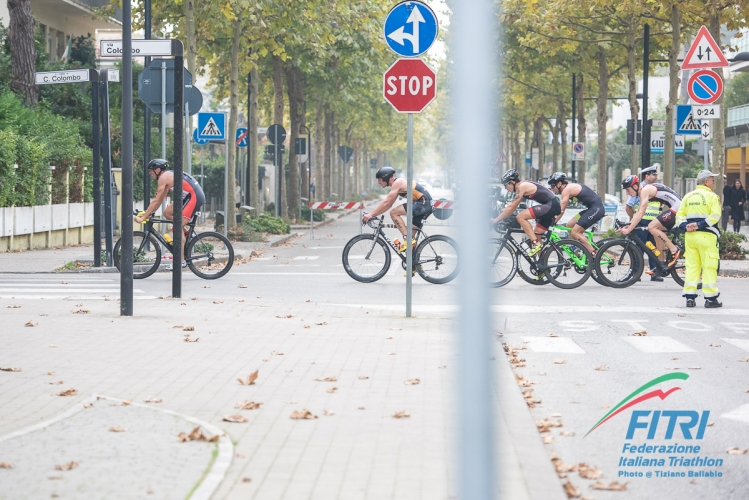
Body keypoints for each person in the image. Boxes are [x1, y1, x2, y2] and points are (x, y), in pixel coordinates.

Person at [135, 159, 205, 266]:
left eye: (151, 171)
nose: (150, 173)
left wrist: (143, 217)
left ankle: (180, 262)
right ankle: (185, 236)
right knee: (167, 213)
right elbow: (158, 201)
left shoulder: (163, 178)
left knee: (176, 227)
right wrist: (147, 213)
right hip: (189, 197)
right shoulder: (167, 177)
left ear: (158, 170)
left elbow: (155, 200)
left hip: (194, 197)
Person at [620, 173, 682, 275]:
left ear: (635, 186)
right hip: (675, 206)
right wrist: (630, 225)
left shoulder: (645, 190)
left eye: (628, 190)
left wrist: (629, 230)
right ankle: (660, 264)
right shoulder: (643, 192)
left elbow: (641, 213)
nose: (627, 193)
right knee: (656, 232)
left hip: (678, 207)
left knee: (651, 227)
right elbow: (638, 212)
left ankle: (674, 249)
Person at [676, 170, 722, 308]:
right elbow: (715, 216)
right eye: (713, 180)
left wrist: (686, 226)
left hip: (690, 237)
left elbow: (679, 215)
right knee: (709, 266)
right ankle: (710, 299)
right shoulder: (712, 197)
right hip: (706, 236)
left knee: (692, 266)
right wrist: (699, 225)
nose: (714, 183)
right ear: (706, 181)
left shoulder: (688, 196)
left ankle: (690, 298)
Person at [490, 169, 561, 256]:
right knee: (537, 235)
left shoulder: (521, 187)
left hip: (551, 206)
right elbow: (512, 208)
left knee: (520, 217)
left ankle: (536, 243)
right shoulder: (521, 186)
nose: (505, 188)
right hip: (550, 206)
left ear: (512, 182)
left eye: (505, 185)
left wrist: (496, 220)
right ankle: (541, 265)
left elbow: (511, 207)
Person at [362, 167, 433, 252]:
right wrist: (373, 214)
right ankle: (415, 263)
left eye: (380, 179)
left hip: (423, 203)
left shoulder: (397, 183)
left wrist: (370, 215)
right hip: (425, 204)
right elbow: (388, 205)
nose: (378, 182)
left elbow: (387, 203)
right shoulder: (398, 183)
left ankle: (407, 240)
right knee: (412, 240)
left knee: (394, 213)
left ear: (386, 177)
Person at [548, 172, 604, 254]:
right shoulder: (568, 189)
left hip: (596, 209)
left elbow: (561, 210)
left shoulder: (566, 190)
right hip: (591, 209)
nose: (552, 188)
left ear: (559, 184)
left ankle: (594, 254)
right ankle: (576, 251)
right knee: (569, 225)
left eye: (553, 186)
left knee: (575, 232)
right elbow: (562, 209)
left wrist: (553, 221)